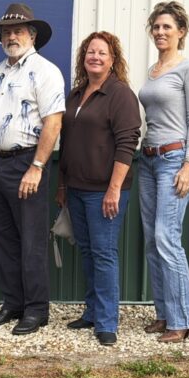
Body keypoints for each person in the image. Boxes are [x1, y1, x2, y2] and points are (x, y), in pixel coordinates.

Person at [0, 2, 65, 336]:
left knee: (32, 241)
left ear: (32, 35)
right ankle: (13, 303)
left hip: (27, 162)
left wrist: (37, 167)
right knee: (4, 240)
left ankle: (37, 310)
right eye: (6, 32)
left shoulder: (45, 71)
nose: (11, 36)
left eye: (17, 31)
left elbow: (53, 123)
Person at [56, 32, 141, 346]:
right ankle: (92, 312)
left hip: (104, 191)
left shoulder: (120, 95)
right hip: (76, 189)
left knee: (104, 254)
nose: (95, 57)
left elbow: (127, 144)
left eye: (102, 53)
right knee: (89, 252)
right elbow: (67, 144)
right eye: (90, 52)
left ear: (112, 59)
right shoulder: (77, 94)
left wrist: (114, 189)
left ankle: (107, 322)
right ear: (84, 58)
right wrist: (63, 184)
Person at [137, 1, 189, 343]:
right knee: (152, 239)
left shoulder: (188, 69)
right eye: (156, 27)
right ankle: (164, 314)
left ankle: (183, 318)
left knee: (166, 237)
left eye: (167, 27)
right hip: (147, 159)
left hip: (174, 160)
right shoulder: (152, 70)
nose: (160, 32)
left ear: (181, 32)